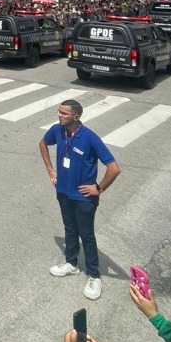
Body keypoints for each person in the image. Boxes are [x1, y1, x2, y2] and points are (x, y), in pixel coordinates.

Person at [40, 99, 120, 300]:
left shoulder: (90, 138)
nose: (60, 116)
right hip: (63, 192)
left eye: (64, 114)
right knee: (69, 228)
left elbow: (114, 168)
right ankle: (71, 263)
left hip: (84, 198)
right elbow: (42, 143)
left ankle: (94, 275)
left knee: (86, 235)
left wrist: (99, 188)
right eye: (59, 112)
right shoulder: (57, 130)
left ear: (76, 117)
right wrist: (51, 170)